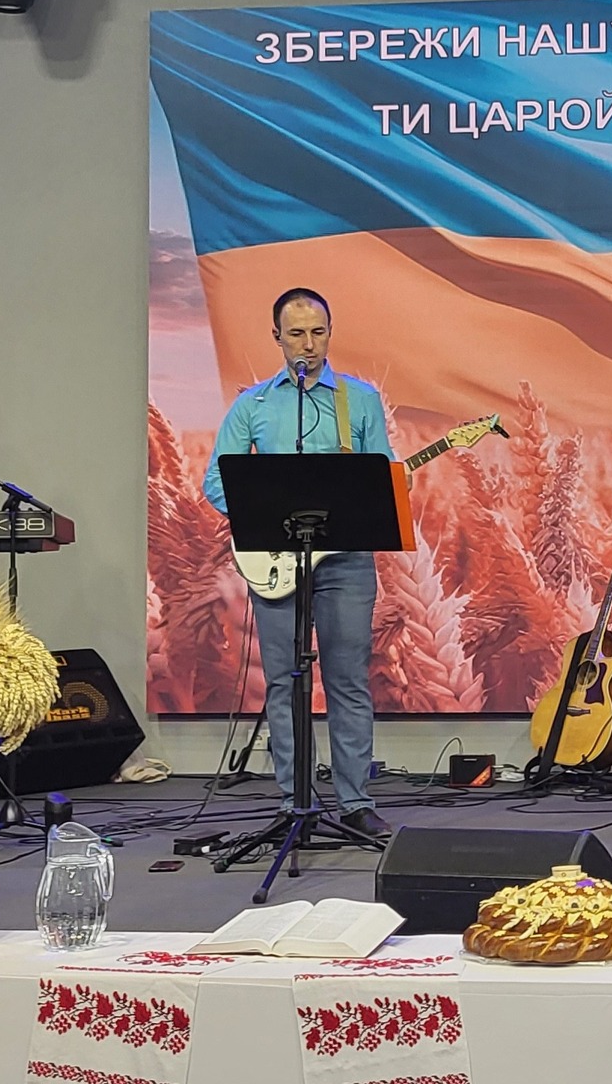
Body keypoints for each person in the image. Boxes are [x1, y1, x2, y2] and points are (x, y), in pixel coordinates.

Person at [203, 287, 395, 841]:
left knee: (347, 680)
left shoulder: (360, 400)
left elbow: (381, 476)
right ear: (277, 338)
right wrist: (263, 520)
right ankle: (295, 802)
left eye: (317, 332)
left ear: (329, 334)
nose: (308, 344)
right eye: (296, 334)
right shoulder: (254, 405)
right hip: (277, 561)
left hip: (346, 561)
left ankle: (356, 802)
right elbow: (216, 480)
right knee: (285, 682)